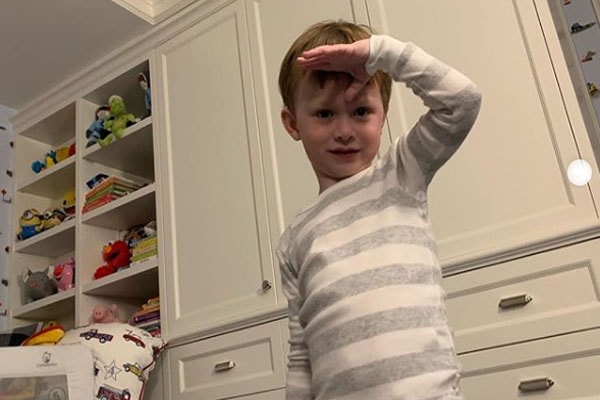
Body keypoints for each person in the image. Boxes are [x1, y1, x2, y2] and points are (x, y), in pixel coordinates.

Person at [276, 20, 482, 400]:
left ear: (383, 114)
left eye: (361, 111)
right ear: (293, 124)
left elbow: (462, 102)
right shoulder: (294, 240)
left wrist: (381, 54)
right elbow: (301, 353)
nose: (344, 130)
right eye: (324, 114)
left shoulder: (402, 173)